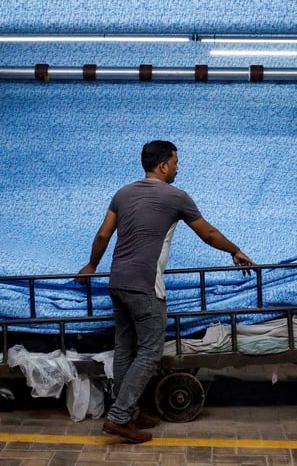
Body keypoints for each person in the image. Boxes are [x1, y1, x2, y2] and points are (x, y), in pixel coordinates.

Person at [77, 140, 255, 444]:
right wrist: (235, 250)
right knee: (149, 352)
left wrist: (92, 265)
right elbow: (208, 234)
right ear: (162, 165)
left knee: (125, 350)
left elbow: (104, 233)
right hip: (144, 286)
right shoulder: (176, 197)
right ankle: (119, 418)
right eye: (175, 162)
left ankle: (129, 411)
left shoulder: (122, 193)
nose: (177, 167)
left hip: (117, 283)